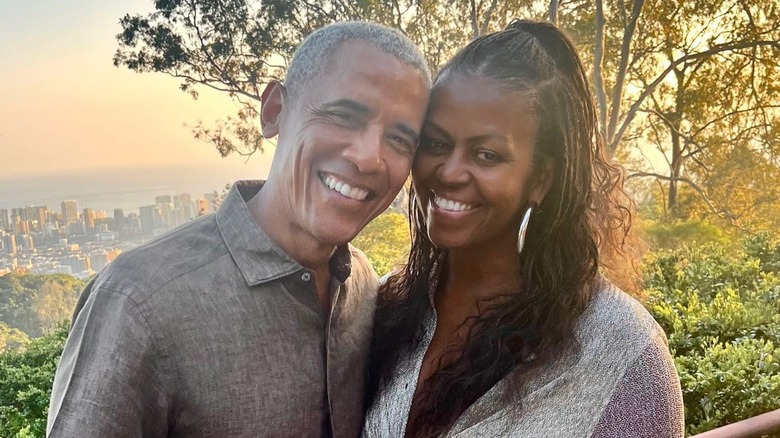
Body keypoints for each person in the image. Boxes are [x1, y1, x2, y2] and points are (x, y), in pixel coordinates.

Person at [47, 21, 430, 438]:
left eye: (399, 139)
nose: (370, 158)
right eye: (343, 115)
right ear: (273, 112)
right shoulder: (140, 303)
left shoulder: (361, 287)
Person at [363, 19, 684, 437]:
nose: (450, 172)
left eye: (486, 155)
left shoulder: (622, 356)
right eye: (436, 144)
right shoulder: (385, 310)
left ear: (541, 180)